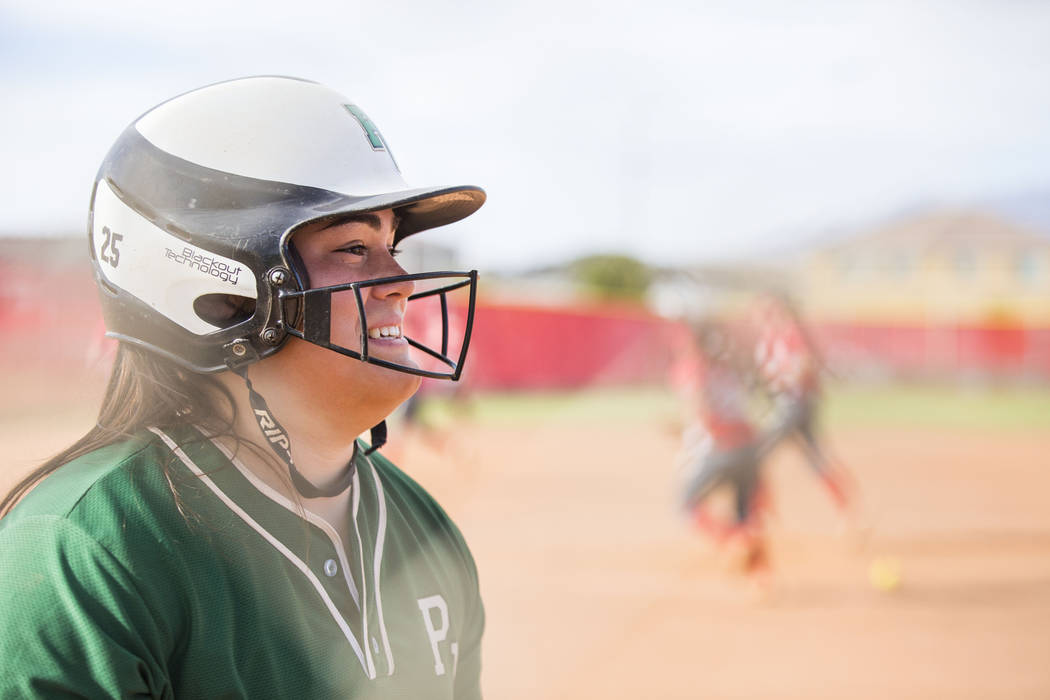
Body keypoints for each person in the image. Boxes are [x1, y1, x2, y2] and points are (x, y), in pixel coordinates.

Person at [0, 76, 487, 698]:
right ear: (224, 294)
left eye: (392, 247)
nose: (401, 282)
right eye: (355, 247)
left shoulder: (427, 532)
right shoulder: (88, 550)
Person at [676, 319, 775, 579]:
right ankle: (760, 576)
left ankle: (735, 541)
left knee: (687, 502)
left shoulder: (695, 370)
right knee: (744, 510)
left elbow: (701, 412)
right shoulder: (729, 371)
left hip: (724, 449)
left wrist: (690, 442)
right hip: (750, 449)